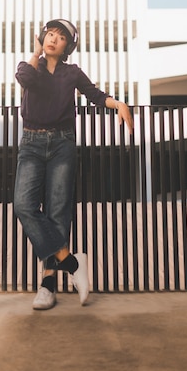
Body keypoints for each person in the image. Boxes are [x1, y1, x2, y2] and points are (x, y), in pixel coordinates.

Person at [14, 19, 133, 310]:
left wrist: (118, 104)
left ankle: (47, 285)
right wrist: (35, 52)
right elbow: (25, 79)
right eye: (50, 34)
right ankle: (72, 262)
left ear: (69, 45)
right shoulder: (30, 67)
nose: (53, 39)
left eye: (61, 37)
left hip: (62, 144)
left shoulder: (72, 73)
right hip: (31, 143)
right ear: (42, 38)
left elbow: (94, 96)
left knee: (57, 213)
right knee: (24, 206)